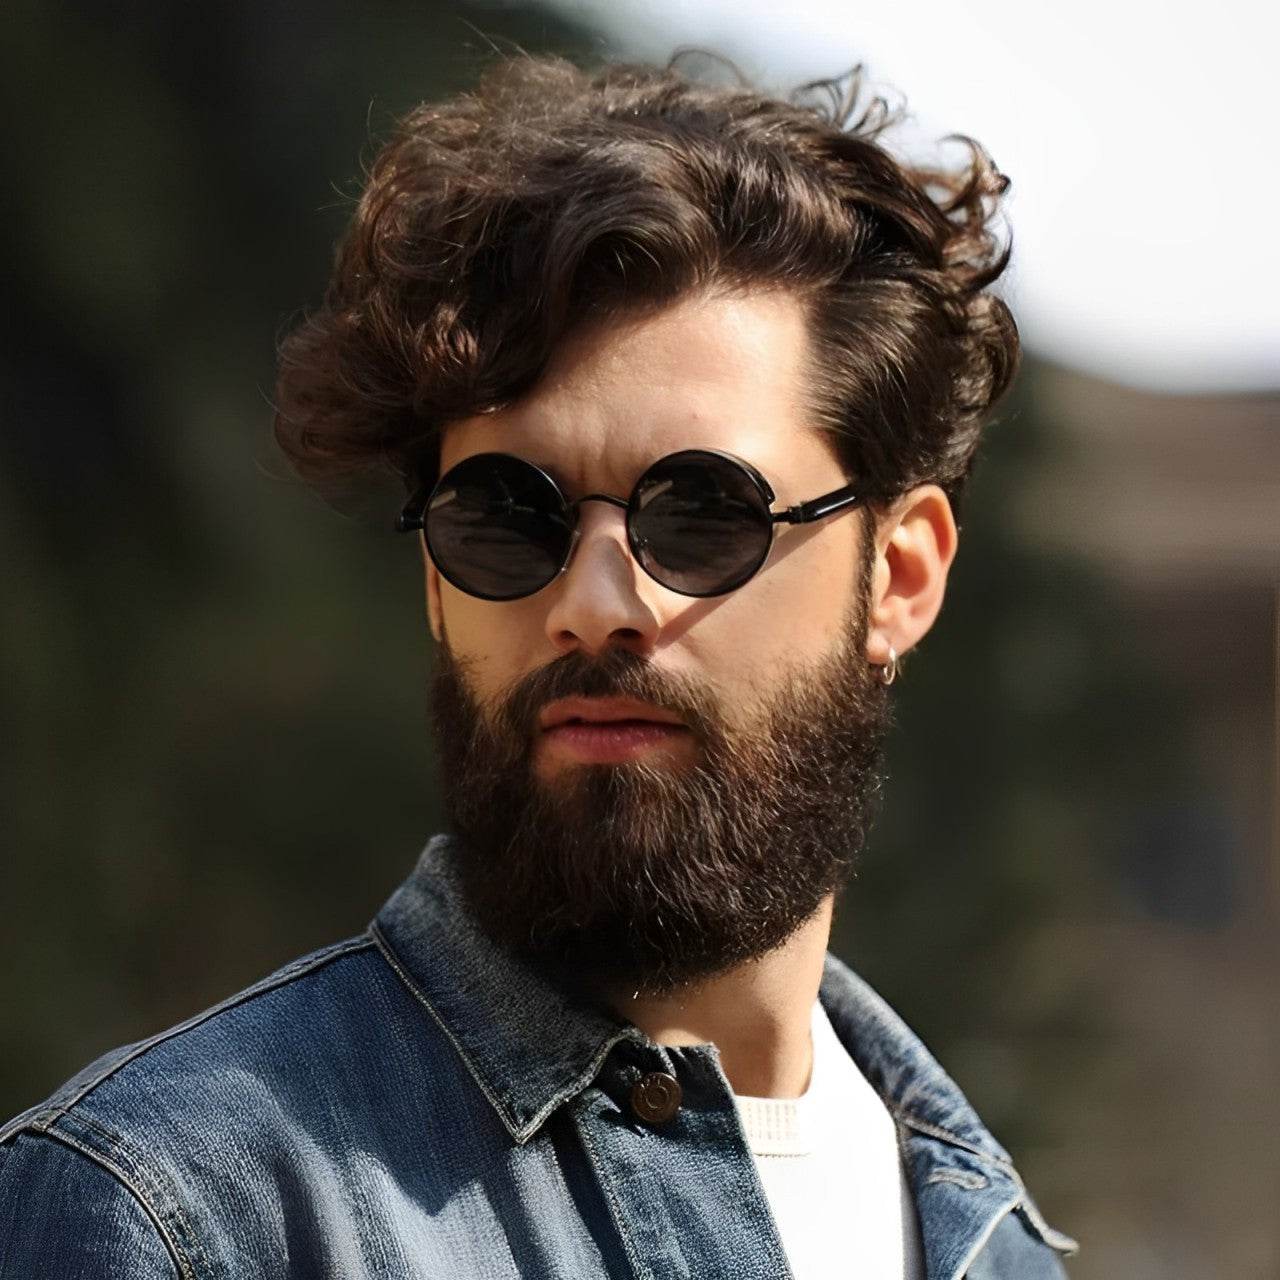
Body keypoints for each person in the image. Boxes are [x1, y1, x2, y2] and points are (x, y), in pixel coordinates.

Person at [0, 53, 1078, 1278]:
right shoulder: (168, 1217)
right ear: (431, 582)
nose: (593, 603)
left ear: (899, 576)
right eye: (506, 517)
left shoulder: (986, 1242)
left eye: (700, 513)